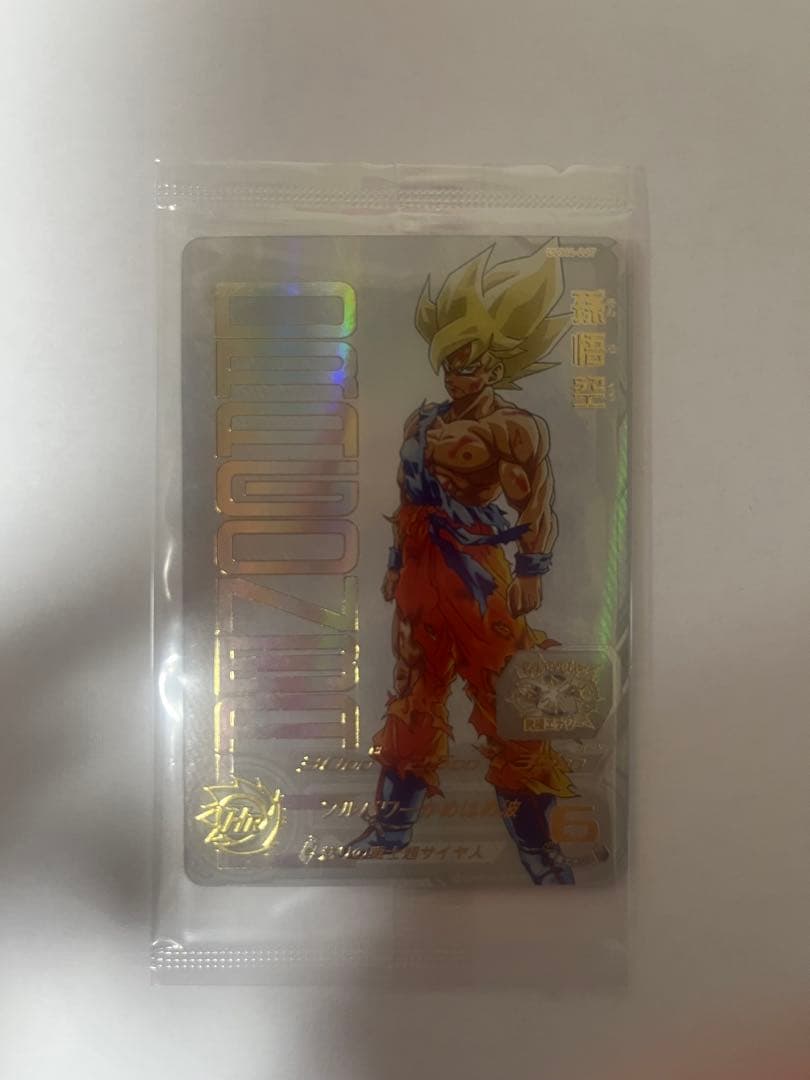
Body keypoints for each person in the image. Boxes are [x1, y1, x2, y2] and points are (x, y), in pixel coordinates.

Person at [350, 242, 576, 884]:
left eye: (468, 364)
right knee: (413, 693)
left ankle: (537, 846)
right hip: (423, 571)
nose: (456, 375)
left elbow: (537, 501)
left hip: (480, 575)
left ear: (493, 366)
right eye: (449, 363)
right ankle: (391, 830)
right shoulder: (422, 422)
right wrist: (396, 562)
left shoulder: (514, 428)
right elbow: (407, 498)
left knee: (506, 697)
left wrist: (533, 568)